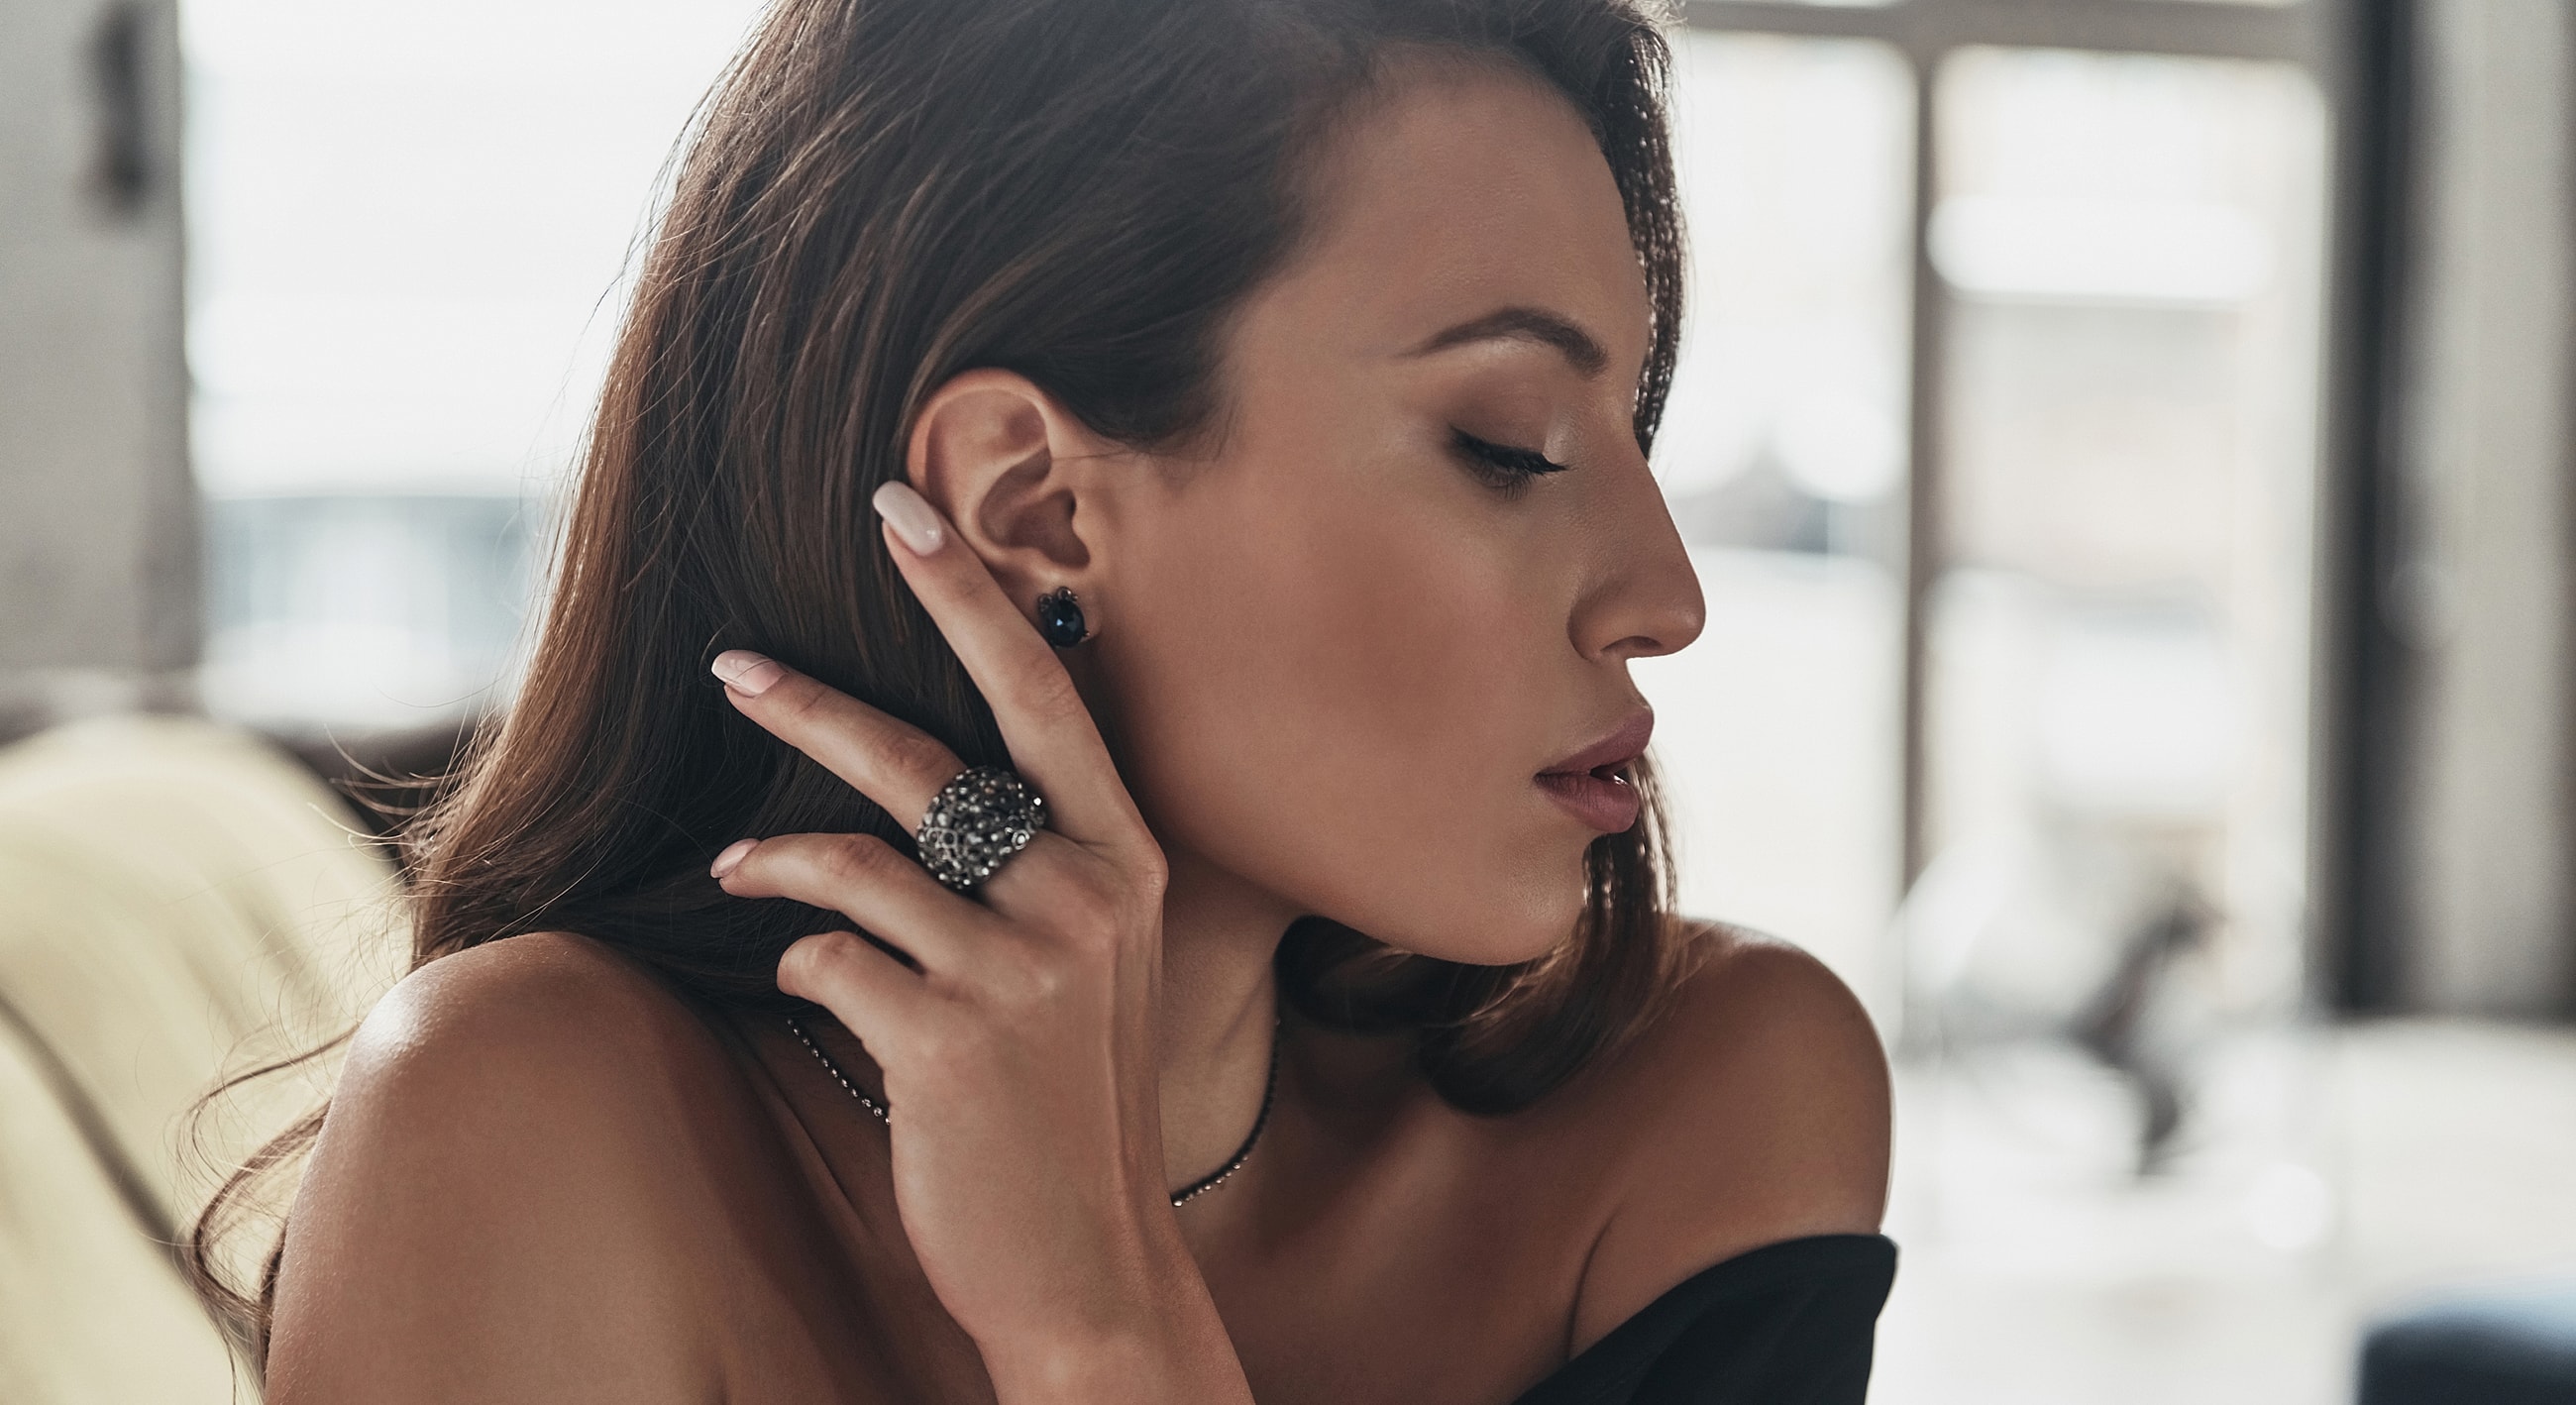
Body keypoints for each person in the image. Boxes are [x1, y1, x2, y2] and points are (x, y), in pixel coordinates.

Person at [189, 0, 1894, 1399]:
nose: (1666, 597)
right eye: (1507, 444)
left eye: (1636, 440)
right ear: (1030, 505)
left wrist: (1104, 1329)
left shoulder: (1705, 1110)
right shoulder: (536, 1133)